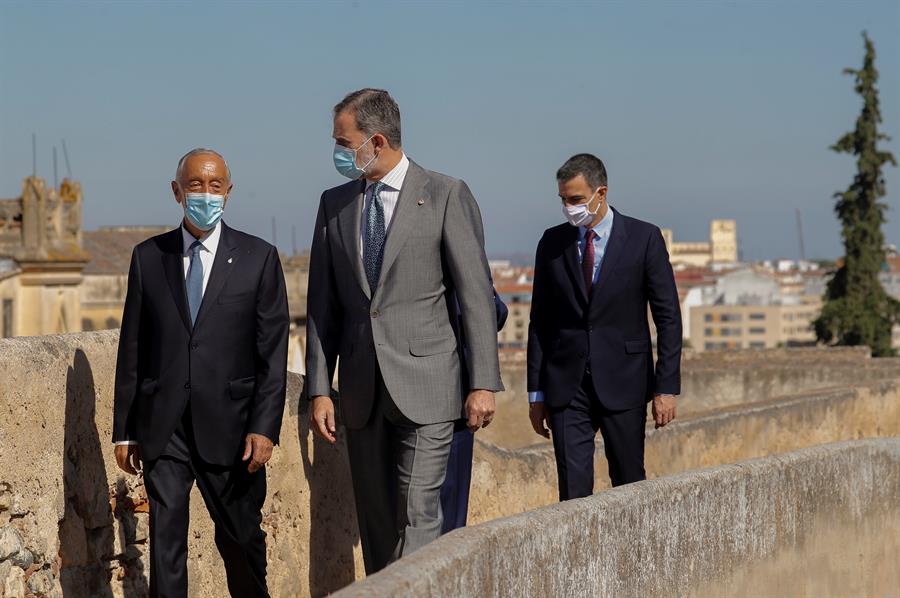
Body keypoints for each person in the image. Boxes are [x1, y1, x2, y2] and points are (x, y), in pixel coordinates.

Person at [306, 88, 503, 574]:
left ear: (375, 140)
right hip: (360, 390)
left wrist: (482, 383)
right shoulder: (334, 205)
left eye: (342, 141)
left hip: (430, 384)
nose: (336, 151)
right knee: (376, 526)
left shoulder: (444, 194)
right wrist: (318, 388)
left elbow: (475, 294)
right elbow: (321, 307)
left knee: (419, 517)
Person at [112, 148, 289, 597]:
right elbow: (133, 346)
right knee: (166, 545)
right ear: (177, 191)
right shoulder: (149, 258)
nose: (205, 194)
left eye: (214, 186)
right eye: (195, 185)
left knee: (240, 538)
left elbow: (272, 354)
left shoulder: (258, 257)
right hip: (165, 425)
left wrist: (264, 428)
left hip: (233, 430)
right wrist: (125, 430)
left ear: (228, 192)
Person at [527, 153, 682, 500]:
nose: (569, 207)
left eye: (576, 199)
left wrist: (666, 386)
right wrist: (536, 394)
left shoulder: (644, 238)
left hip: (625, 379)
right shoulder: (552, 243)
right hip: (567, 385)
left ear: (601, 193)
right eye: (564, 200)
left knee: (628, 484)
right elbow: (540, 321)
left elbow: (668, 316)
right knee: (573, 490)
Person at [440, 287, 508, 533]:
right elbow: (497, 313)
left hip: (455, 403)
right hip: (450, 398)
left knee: (448, 523)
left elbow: (496, 312)